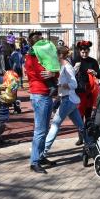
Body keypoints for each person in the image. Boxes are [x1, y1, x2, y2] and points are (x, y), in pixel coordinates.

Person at [40, 46, 88, 162]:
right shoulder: (62, 66)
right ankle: (92, 144)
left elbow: (74, 84)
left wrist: (61, 85)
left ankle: (43, 153)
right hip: (69, 100)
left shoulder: (67, 67)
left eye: (55, 55)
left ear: (60, 55)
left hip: (69, 100)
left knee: (55, 124)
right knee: (81, 126)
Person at [25, 31, 57, 174]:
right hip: (40, 95)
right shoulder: (32, 57)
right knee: (40, 130)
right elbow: (44, 72)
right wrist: (53, 73)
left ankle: (40, 156)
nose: (42, 41)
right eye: (39, 39)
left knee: (44, 128)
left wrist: (54, 73)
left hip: (45, 95)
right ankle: (34, 161)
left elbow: (53, 70)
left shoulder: (39, 55)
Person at [73, 40, 100, 145]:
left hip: (90, 91)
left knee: (88, 116)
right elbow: (70, 73)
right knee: (79, 115)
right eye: (82, 52)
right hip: (78, 91)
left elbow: (99, 75)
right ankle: (80, 137)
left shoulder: (92, 61)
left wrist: (95, 73)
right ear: (79, 51)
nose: (84, 54)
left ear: (89, 51)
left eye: (86, 52)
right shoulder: (76, 60)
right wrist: (75, 69)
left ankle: (88, 136)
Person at [30, 32, 61, 97]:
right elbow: (41, 73)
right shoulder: (32, 56)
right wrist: (54, 74)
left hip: (41, 91)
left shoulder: (37, 50)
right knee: (46, 72)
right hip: (40, 91)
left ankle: (53, 86)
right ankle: (53, 86)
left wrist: (53, 74)